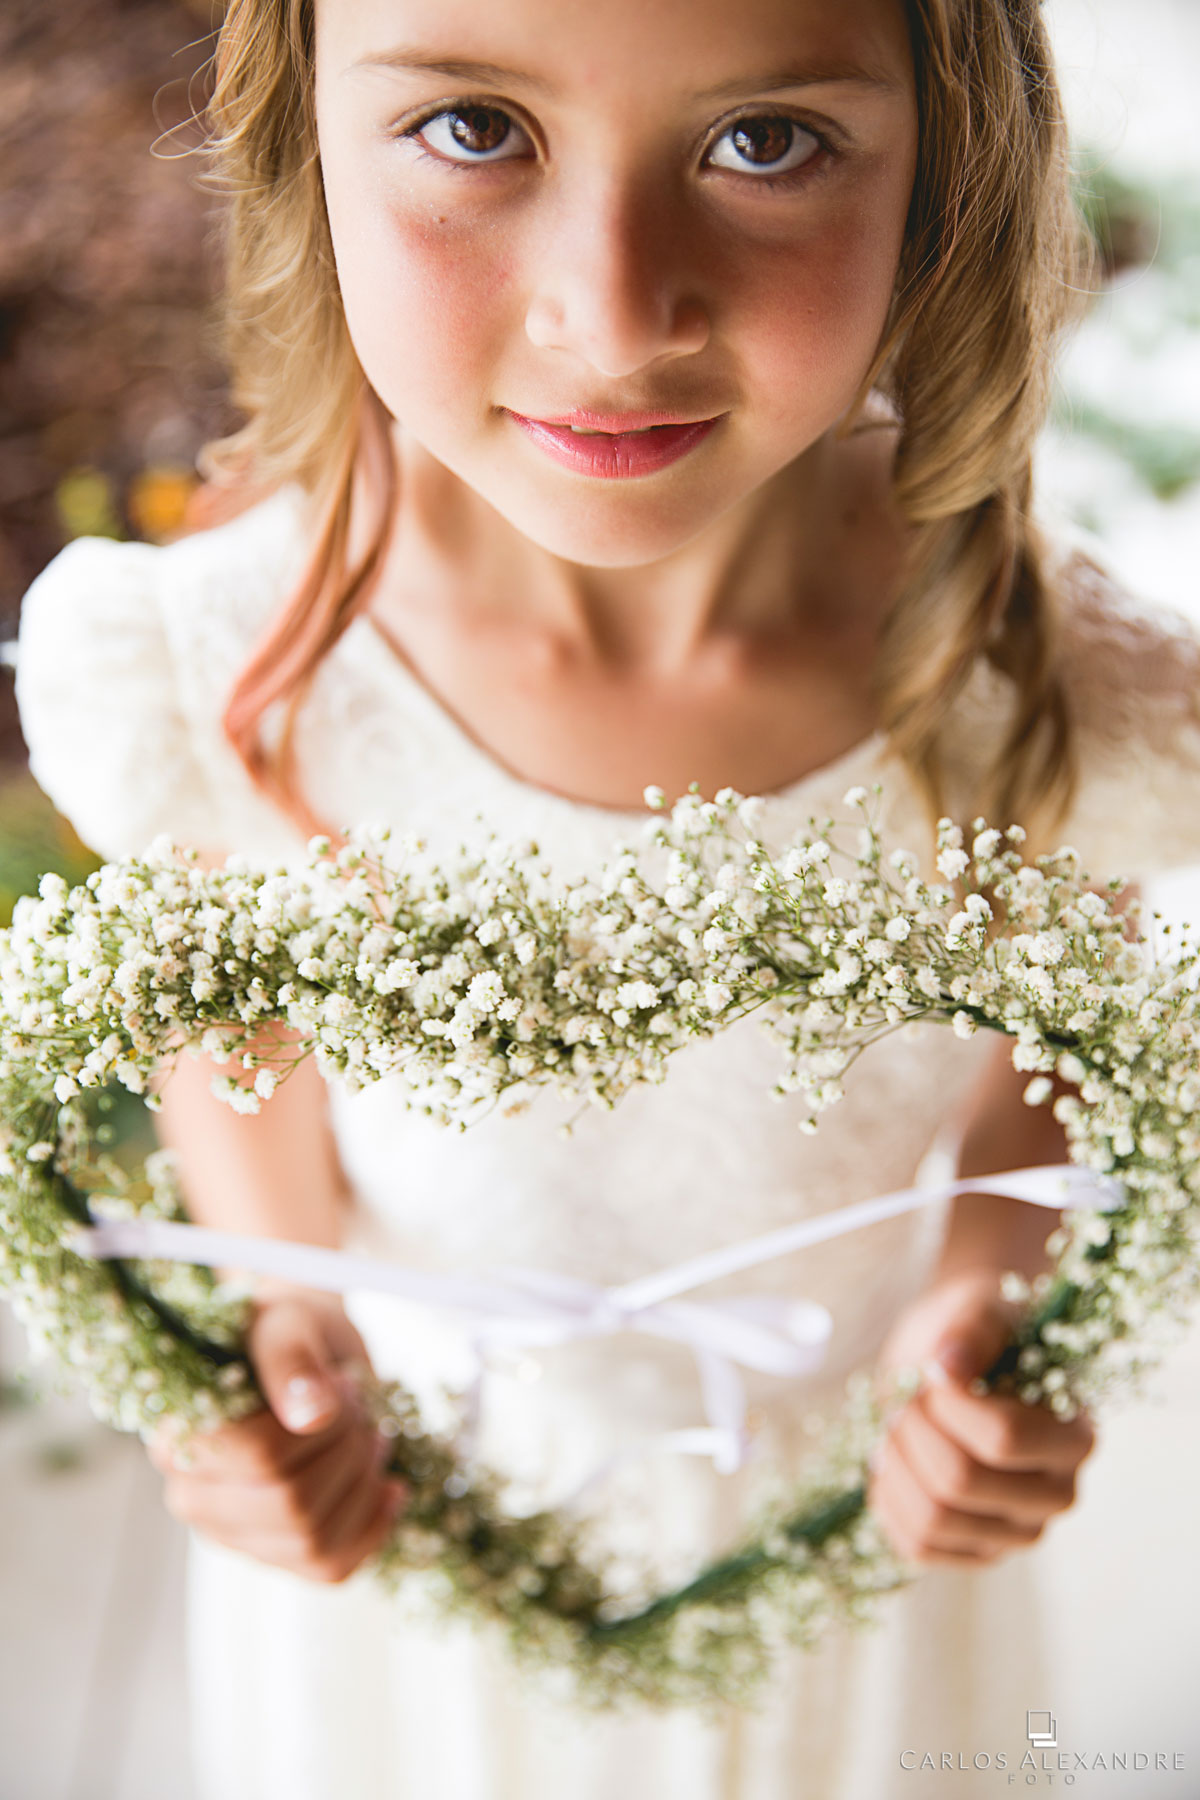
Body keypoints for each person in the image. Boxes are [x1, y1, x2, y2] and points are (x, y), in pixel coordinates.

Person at [13, 0, 1200, 1794]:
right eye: (477, 129)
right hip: (416, 1532)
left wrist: (984, 1302)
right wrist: (287, 1330)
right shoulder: (224, 665)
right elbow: (229, 1021)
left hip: (837, 1545)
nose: (616, 310)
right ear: (304, 140)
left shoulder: (1043, 688)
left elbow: (1060, 1054)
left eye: (767, 141)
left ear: (950, 157)